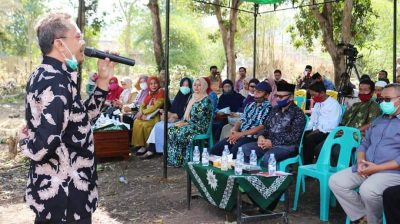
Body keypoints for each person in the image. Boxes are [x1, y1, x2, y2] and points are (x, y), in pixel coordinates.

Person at [19, 12, 115, 224]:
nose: (83, 42)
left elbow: (80, 121)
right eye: (78, 37)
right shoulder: (56, 82)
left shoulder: (53, 75)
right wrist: (24, 143)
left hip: (69, 194)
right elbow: (45, 144)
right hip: (64, 199)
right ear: (60, 44)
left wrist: (103, 81)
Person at [329, 84, 400, 224]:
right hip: (367, 167)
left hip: (392, 172)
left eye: (387, 99)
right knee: (336, 182)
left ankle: (375, 220)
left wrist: (376, 169)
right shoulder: (380, 120)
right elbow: (365, 143)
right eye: (380, 99)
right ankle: (363, 218)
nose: (383, 103)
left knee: (368, 190)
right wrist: (361, 162)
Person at [314, 79, 381, 166]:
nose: (362, 92)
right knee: (320, 148)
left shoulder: (374, 106)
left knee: (336, 151)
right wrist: (340, 130)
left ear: (372, 92)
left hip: (358, 136)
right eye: (360, 89)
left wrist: (353, 131)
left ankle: (342, 170)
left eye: (365, 90)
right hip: (344, 133)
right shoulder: (355, 105)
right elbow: (344, 120)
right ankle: (329, 169)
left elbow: (371, 124)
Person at [241, 82, 306, 167]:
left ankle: (266, 179)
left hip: (286, 147)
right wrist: (261, 136)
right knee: (244, 149)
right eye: (277, 96)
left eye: (281, 97)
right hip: (267, 143)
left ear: (291, 97)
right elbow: (265, 127)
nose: (278, 99)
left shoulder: (298, 113)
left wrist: (272, 142)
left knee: (268, 158)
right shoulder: (275, 109)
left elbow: (294, 137)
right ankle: (248, 176)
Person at [210, 81, 272, 157]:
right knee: (215, 149)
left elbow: (260, 127)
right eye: (255, 91)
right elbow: (241, 120)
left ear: (267, 95)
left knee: (234, 152)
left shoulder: (268, 108)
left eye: (259, 92)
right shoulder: (250, 105)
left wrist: (240, 134)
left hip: (252, 137)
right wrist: (235, 129)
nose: (255, 94)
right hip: (240, 134)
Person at [167, 78, 213, 167]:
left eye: (199, 85)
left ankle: (185, 160)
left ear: (204, 86)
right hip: (190, 124)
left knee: (181, 132)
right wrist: (182, 122)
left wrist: (184, 123)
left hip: (200, 126)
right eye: (195, 85)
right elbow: (186, 115)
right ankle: (175, 159)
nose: (196, 87)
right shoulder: (192, 97)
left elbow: (199, 118)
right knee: (172, 129)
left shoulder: (206, 100)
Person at [142, 77, 193, 159]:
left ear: (190, 87)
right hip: (172, 118)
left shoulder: (191, 97)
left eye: (187, 85)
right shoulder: (179, 95)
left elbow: (187, 112)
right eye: (183, 85)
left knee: (165, 127)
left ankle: (164, 151)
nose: (185, 87)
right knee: (158, 125)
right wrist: (166, 113)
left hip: (182, 120)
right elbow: (172, 108)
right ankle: (151, 150)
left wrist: (174, 116)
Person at [302, 81, 342, 165]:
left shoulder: (334, 105)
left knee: (309, 139)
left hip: (329, 132)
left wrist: (315, 131)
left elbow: (332, 125)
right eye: (311, 95)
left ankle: (308, 165)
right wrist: (305, 130)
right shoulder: (317, 104)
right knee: (302, 135)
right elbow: (312, 121)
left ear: (322, 93)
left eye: (314, 95)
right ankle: (302, 163)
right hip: (317, 130)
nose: (312, 98)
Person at [132, 76, 164, 153]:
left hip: (157, 116)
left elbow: (155, 106)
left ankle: (148, 146)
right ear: (149, 85)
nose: (153, 85)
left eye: (155, 83)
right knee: (137, 122)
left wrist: (143, 112)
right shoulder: (149, 93)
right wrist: (140, 112)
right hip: (146, 115)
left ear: (158, 83)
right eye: (151, 84)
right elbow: (143, 105)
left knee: (145, 125)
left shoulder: (161, 92)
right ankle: (140, 145)